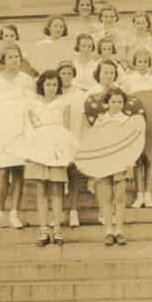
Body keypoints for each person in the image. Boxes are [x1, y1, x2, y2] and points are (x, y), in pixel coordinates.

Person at [0, 43, 35, 231]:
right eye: (10, 57)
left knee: (18, 172)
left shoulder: (27, 79)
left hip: (21, 129)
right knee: (1, 172)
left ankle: (14, 213)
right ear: (3, 59)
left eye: (17, 56)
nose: (14, 60)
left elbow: (32, 105)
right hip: (1, 130)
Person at [25, 70, 72, 247]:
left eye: (54, 84)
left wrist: (63, 152)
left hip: (57, 151)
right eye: (48, 84)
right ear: (41, 86)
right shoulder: (34, 104)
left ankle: (57, 230)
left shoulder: (63, 103)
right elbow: (32, 128)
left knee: (57, 190)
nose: (51, 88)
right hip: (39, 150)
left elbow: (65, 130)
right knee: (41, 190)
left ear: (58, 86)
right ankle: (44, 230)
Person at [91, 87, 135, 245]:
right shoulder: (101, 120)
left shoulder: (128, 120)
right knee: (107, 198)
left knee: (120, 197)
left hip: (121, 162)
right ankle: (109, 230)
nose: (116, 104)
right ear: (107, 103)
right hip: (105, 162)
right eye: (113, 101)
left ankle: (119, 230)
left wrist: (130, 163)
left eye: (120, 101)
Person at [122, 48, 152, 208]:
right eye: (139, 62)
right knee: (138, 159)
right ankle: (139, 195)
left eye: (146, 62)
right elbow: (124, 102)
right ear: (134, 63)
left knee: (149, 159)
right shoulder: (128, 80)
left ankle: (148, 194)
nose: (143, 65)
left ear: (149, 64)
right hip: (135, 121)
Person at [57, 60, 86, 227]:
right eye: (63, 73)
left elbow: (83, 118)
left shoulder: (79, 94)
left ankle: (74, 211)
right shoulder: (54, 92)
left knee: (74, 176)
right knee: (58, 177)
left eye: (69, 73)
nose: (66, 77)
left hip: (75, 137)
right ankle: (59, 212)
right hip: (58, 140)